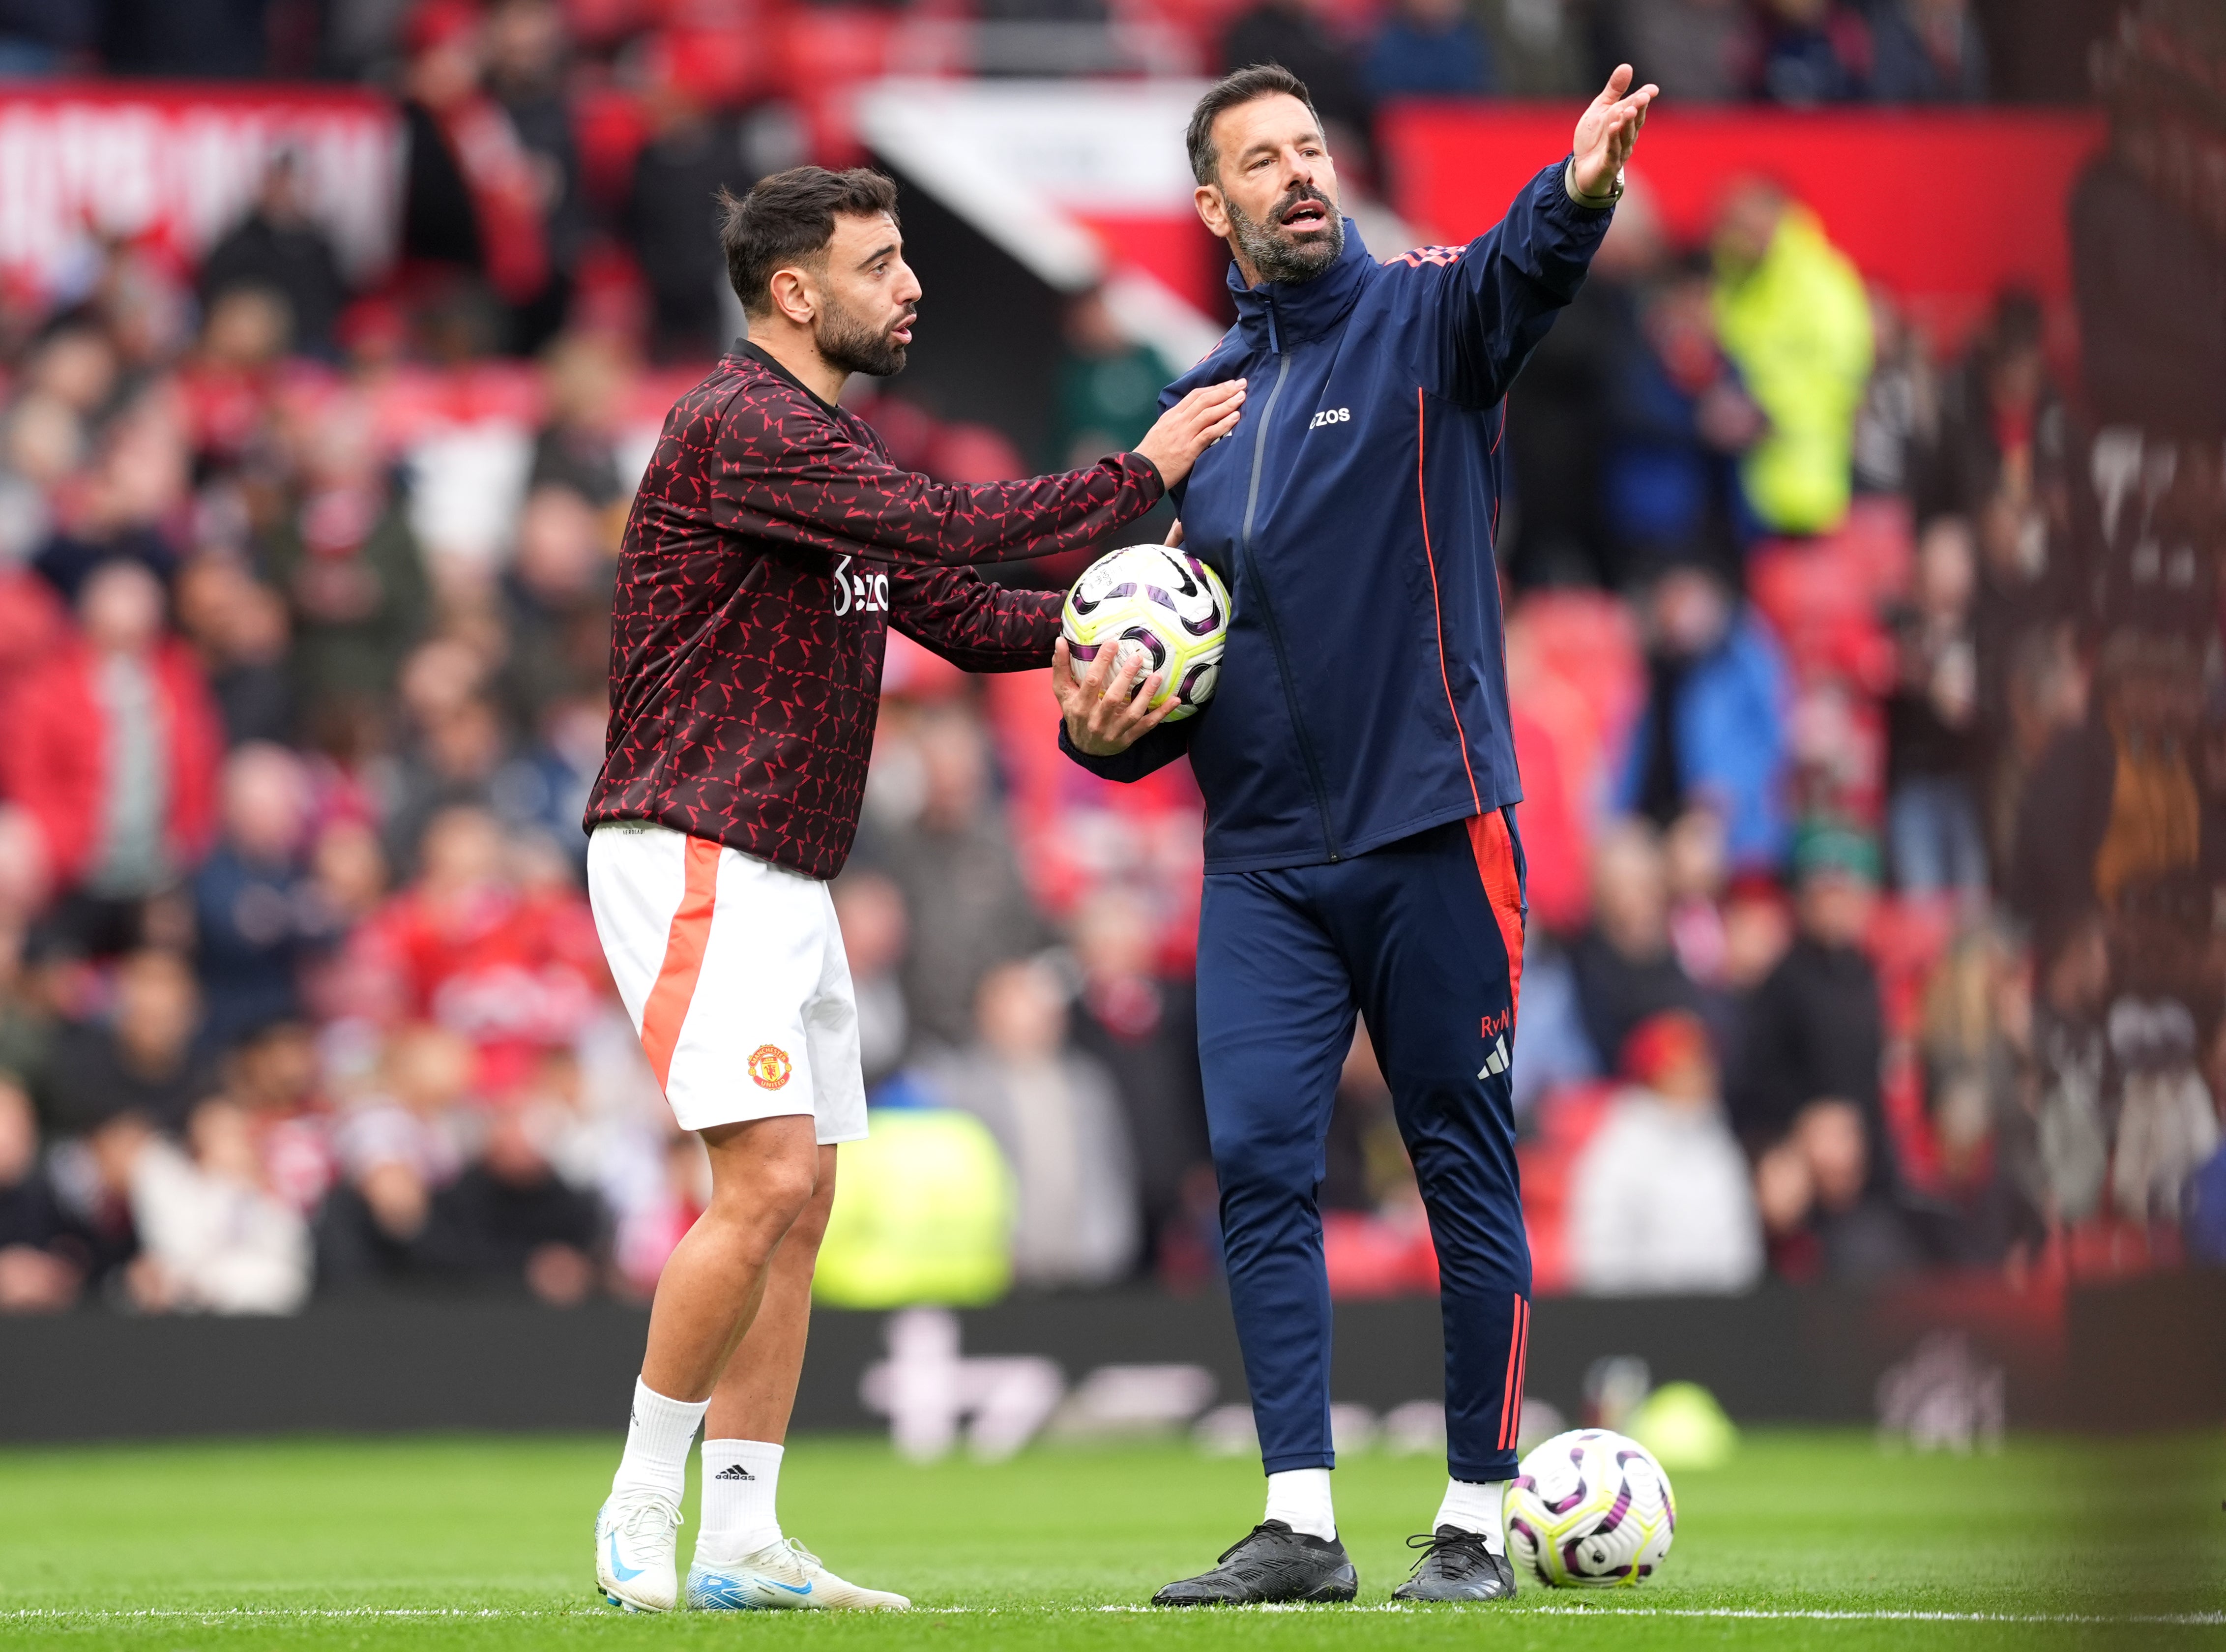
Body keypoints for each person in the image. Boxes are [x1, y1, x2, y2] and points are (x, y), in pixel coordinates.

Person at [580, 165, 1244, 1615]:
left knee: (802, 1198)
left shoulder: (821, 452)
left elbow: (960, 609)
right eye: (882, 263)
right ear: (797, 292)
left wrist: (1111, 643)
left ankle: (743, 1535)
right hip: (693, 839)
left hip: (786, 864)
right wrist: (1143, 478)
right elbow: (957, 530)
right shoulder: (742, 423)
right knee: (758, 1184)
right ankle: (639, 1503)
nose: (913, 285)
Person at [1054, 62, 1653, 1605]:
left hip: (1435, 826)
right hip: (1259, 863)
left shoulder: (1426, 322)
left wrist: (1576, 187)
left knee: (1461, 1161)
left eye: (1312, 147)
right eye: (1263, 159)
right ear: (1215, 206)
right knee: (1258, 1167)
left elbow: (1529, 271)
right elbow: (1167, 667)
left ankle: (1471, 1519)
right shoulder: (1196, 419)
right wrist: (1098, 737)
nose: (1299, 174)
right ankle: (1301, 1526)